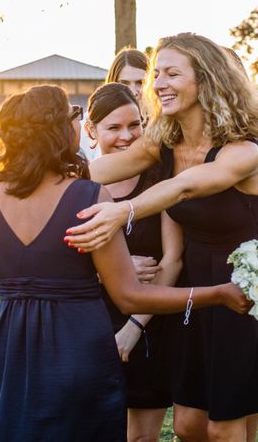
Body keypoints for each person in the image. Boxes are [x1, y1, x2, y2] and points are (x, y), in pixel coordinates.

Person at [0, 84, 251, 442]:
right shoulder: (88, 197)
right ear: (60, 130)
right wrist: (216, 294)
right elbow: (130, 296)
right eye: (74, 115)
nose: (78, 123)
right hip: (80, 356)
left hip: (10, 358)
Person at [63, 33, 258, 442]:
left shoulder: (245, 148)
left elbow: (187, 187)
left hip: (244, 293)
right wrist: (0, 190)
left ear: (206, 79)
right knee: (187, 426)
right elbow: (97, 170)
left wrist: (124, 210)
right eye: (156, 74)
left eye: (172, 73)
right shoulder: (165, 139)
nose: (158, 83)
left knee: (225, 429)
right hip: (195, 291)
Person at [86, 82, 181, 442]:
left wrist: (134, 328)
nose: (126, 136)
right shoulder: (78, 186)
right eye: (113, 127)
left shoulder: (160, 180)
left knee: (141, 437)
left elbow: (172, 259)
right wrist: (110, 271)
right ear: (91, 131)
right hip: (91, 323)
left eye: (135, 125)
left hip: (148, 324)